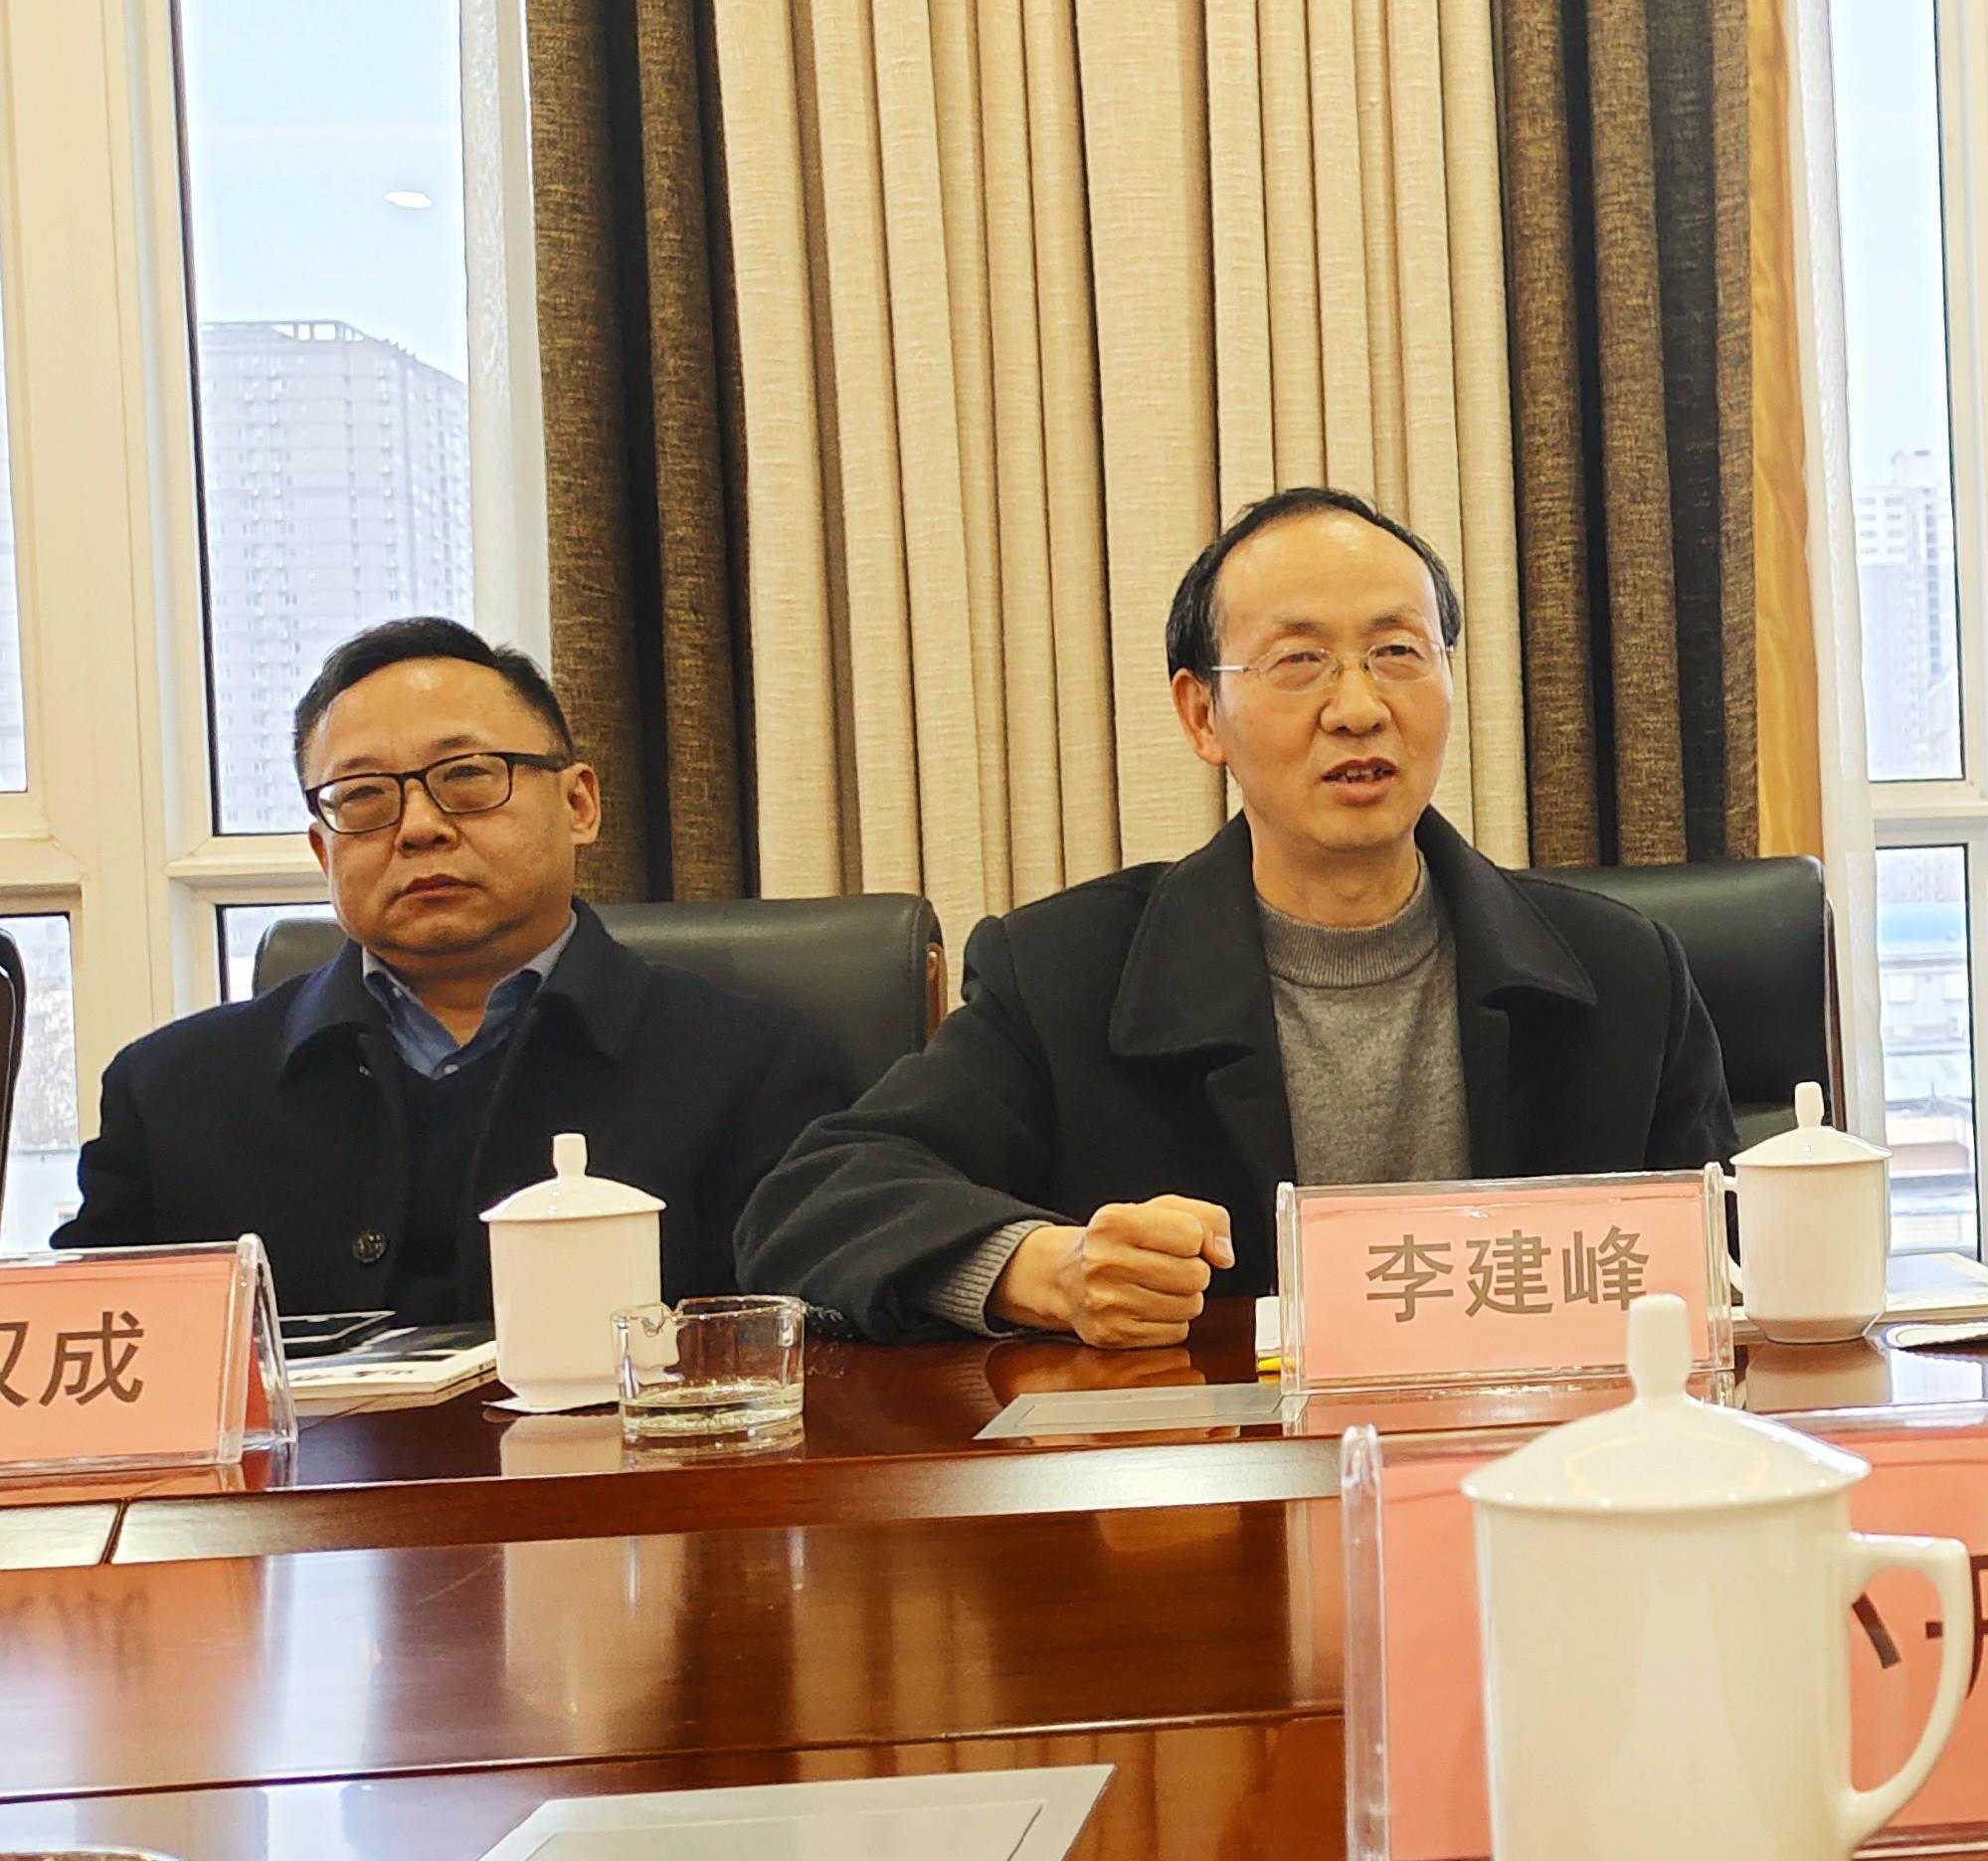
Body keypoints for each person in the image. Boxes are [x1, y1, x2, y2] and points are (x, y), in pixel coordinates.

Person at [738, 486, 1735, 1345]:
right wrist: (1044, 1269)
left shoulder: (1622, 972)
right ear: (1201, 714)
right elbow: (815, 1201)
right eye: (1299, 662)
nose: (1358, 707)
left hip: (1539, 1475)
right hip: (1212, 1484)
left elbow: (1727, 1272)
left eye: (1397, 651)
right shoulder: (1067, 971)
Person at [56, 620, 853, 1320]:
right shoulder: (170, 1093)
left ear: (578, 805)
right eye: (363, 798)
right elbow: (91, 1369)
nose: (420, 828)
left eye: (467, 777)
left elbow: (805, 1359)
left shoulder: (756, 1072)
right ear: (323, 851)